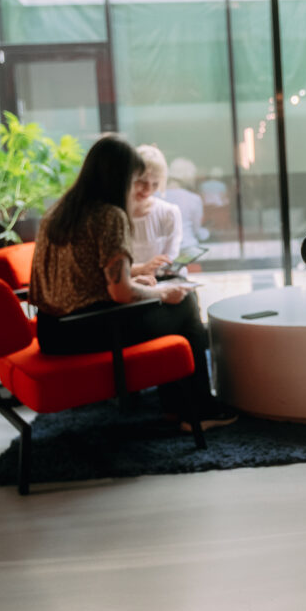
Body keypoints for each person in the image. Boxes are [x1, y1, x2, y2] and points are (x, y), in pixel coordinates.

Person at [28, 134, 235, 431]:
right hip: (91, 328)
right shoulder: (109, 215)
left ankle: (179, 408)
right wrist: (160, 292)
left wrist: (139, 278)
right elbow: (121, 292)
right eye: (136, 179)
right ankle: (197, 409)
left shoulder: (58, 212)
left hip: (53, 331)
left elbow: (81, 275)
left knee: (172, 304)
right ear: (121, 178)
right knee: (186, 305)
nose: (138, 187)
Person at [129, 144, 183, 279]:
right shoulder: (116, 215)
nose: (148, 190)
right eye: (142, 182)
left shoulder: (168, 213)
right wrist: (141, 270)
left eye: (155, 184)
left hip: (160, 279)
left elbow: (170, 259)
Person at [164, 156, 209, 249]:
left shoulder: (156, 196)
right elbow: (196, 230)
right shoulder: (194, 199)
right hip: (188, 249)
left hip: (163, 252)